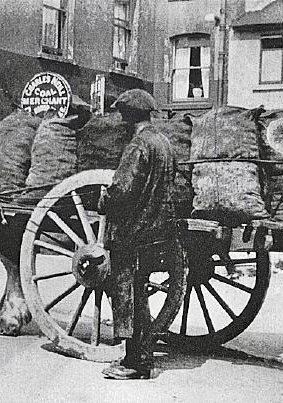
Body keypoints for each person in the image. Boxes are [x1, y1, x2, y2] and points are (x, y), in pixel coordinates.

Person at [99, 89, 177, 380]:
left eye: (121, 114)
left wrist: (103, 200)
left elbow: (122, 191)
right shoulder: (164, 143)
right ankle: (138, 357)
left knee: (130, 296)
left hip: (134, 235)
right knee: (139, 295)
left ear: (128, 115)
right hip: (159, 233)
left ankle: (136, 363)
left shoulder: (138, 146)